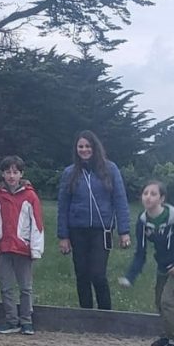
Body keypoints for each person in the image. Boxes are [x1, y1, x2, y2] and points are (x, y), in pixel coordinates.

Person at [118, 180, 174, 346]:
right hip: (163, 266)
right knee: (159, 302)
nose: (148, 197)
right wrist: (130, 277)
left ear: (162, 199)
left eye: (153, 194)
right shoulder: (143, 221)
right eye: (145, 193)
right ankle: (168, 334)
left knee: (168, 302)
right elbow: (141, 252)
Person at [56, 130, 132, 309]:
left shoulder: (110, 169)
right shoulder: (69, 173)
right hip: (77, 230)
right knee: (82, 275)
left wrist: (124, 232)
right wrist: (63, 236)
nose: (84, 150)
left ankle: (105, 315)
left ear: (95, 147)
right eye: (80, 146)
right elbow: (63, 206)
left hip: (102, 230)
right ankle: (86, 315)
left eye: (88, 146)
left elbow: (120, 200)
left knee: (98, 274)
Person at [0, 156, 44, 335]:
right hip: (3, 248)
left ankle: (26, 320)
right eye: (8, 172)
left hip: (23, 249)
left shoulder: (30, 197)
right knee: (6, 287)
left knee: (25, 287)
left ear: (21, 174)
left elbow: (37, 223)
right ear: (2, 174)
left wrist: (36, 249)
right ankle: (11, 320)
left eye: (15, 172)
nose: (11, 176)